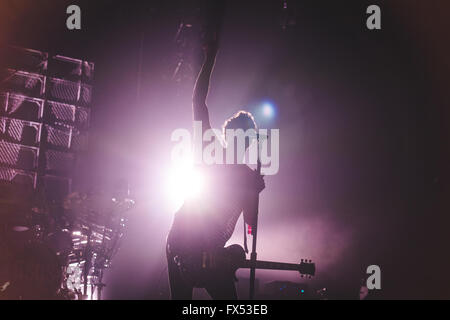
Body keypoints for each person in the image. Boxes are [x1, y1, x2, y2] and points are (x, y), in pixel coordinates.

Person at [166, 29, 265, 300]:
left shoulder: (247, 177)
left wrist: (255, 194)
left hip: (211, 250)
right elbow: (198, 101)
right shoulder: (210, 149)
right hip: (183, 241)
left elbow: (250, 227)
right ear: (228, 135)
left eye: (246, 140)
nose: (242, 144)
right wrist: (209, 59)